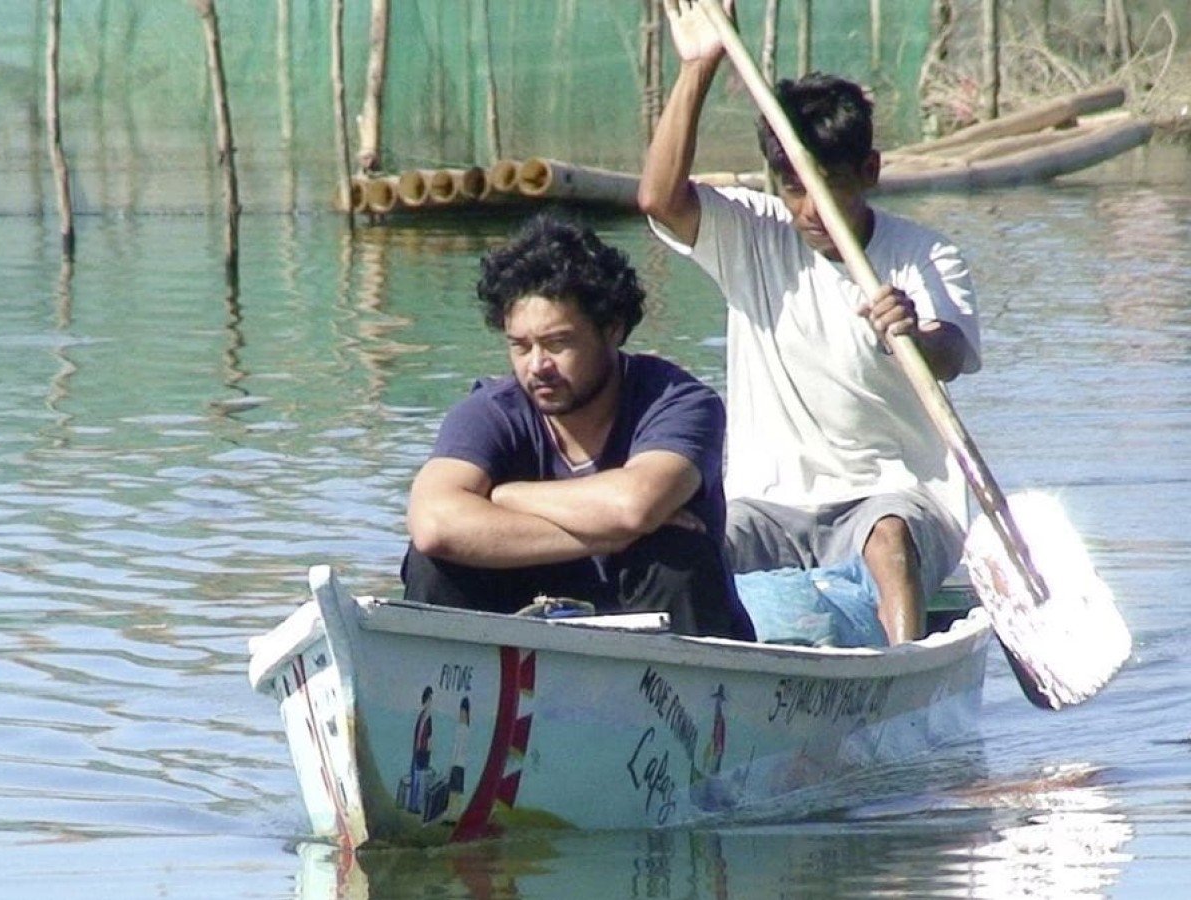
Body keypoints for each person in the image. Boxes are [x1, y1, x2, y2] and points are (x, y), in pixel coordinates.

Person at [636, 1, 981, 645]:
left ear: (869, 173)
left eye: (831, 186)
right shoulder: (753, 234)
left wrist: (913, 335)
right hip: (770, 502)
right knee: (690, 544)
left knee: (889, 542)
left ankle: (897, 674)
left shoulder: (924, 256)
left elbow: (952, 352)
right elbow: (658, 197)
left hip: (894, 497)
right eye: (795, 189)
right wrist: (699, 66)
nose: (811, 211)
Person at [400, 213, 755, 641]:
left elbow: (633, 506)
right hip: (527, 627)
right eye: (521, 346)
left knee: (674, 554)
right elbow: (434, 523)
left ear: (612, 329)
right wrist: (609, 535)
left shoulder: (679, 402)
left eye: (558, 344)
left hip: (663, 632)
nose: (537, 367)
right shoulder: (491, 411)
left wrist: (506, 496)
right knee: (434, 560)